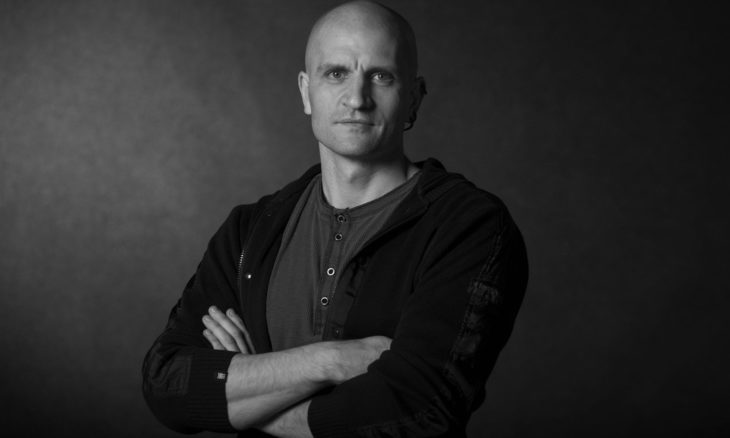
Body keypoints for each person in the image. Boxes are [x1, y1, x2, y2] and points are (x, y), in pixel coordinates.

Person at [142, 1, 528, 437]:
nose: (357, 99)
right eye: (336, 73)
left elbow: (421, 413)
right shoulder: (250, 231)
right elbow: (168, 384)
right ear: (306, 92)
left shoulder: (469, 226)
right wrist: (328, 362)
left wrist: (249, 395)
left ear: (414, 98)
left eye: (381, 77)